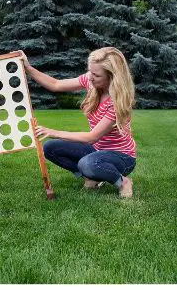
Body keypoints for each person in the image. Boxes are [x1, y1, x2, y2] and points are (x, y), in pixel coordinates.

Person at [19, 47, 136, 198]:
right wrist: (28, 68)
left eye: (96, 75)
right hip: (97, 150)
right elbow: (56, 84)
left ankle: (123, 182)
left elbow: (92, 137)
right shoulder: (91, 81)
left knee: (87, 164)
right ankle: (92, 178)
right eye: (90, 72)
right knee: (50, 148)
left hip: (121, 157)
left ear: (112, 77)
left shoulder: (116, 102)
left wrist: (53, 132)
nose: (90, 77)